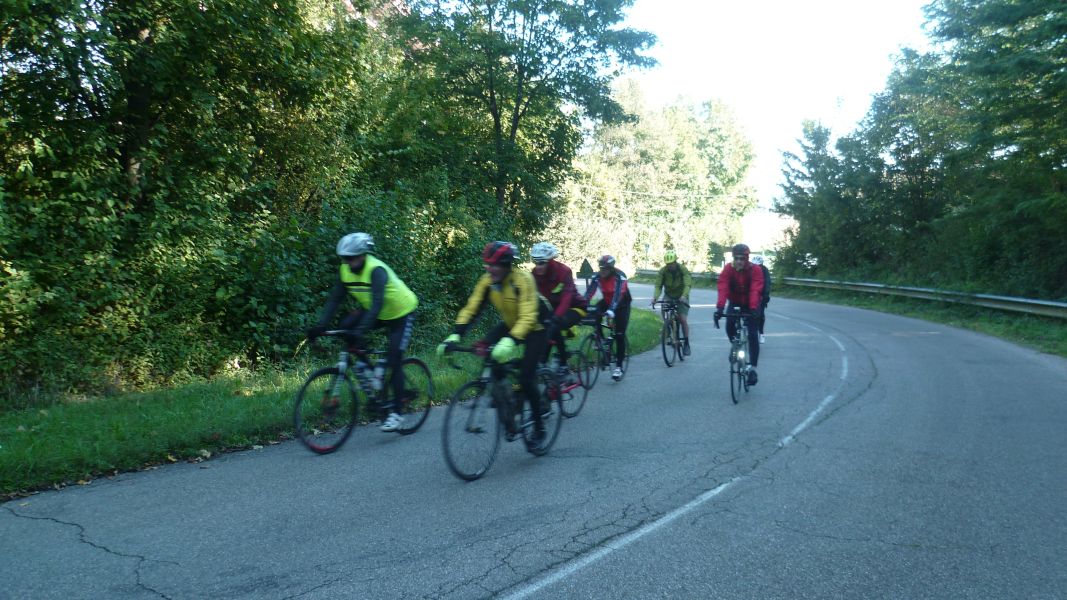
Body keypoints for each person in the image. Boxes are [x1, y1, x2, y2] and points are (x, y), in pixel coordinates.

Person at [436, 241, 550, 451]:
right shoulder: (487, 282)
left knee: (526, 377)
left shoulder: (522, 279)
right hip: (510, 323)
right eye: (487, 264)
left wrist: (510, 341)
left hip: (537, 326)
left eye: (495, 265)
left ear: (507, 265)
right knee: (489, 353)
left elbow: (528, 317)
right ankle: (506, 398)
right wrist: (455, 335)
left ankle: (539, 428)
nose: (490, 269)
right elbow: (472, 309)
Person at [307, 232, 419, 432]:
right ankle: (368, 367)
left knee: (394, 358)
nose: (348, 262)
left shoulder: (376, 270)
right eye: (344, 258)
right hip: (379, 313)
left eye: (351, 258)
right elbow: (335, 299)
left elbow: (376, 304)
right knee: (346, 326)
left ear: (363, 255)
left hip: (401, 313)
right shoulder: (345, 270)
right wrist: (321, 326)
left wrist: (361, 330)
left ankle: (397, 412)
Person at [530, 242, 588, 379]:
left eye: (542, 263)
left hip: (576, 307)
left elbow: (566, 298)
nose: (538, 266)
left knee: (554, 325)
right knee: (542, 327)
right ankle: (543, 362)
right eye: (535, 262)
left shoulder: (564, 271)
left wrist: (555, 317)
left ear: (550, 261)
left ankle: (563, 364)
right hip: (553, 308)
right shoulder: (534, 274)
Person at [714, 243, 765, 386]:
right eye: (736, 258)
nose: (739, 261)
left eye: (742, 258)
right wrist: (719, 309)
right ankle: (735, 346)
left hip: (751, 304)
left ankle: (753, 368)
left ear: (747, 259)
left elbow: (756, 289)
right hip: (735, 301)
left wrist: (754, 308)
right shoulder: (728, 270)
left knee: (753, 334)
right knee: (729, 325)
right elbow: (723, 287)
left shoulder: (755, 270)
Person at [584, 254, 632, 381]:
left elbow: (618, 294)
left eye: (605, 269)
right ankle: (601, 340)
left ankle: (619, 367)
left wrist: (611, 310)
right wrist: (582, 305)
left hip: (622, 304)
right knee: (594, 314)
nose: (602, 271)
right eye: (601, 268)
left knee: (619, 334)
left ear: (611, 268)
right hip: (606, 301)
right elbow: (589, 292)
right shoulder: (597, 277)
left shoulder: (619, 277)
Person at [652, 249, 693, 356]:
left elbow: (687, 284)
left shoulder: (683, 269)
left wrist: (684, 296)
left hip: (682, 296)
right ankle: (669, 328)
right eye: (668, 264)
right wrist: (655, 297)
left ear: (676, 262)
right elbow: (658, 286)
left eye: (672, 263)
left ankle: (687, 344)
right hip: (669, 295)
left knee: (683, 320)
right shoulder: (663, 271)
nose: (670, 266)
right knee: (664, 309)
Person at [752, 255, 771, 344]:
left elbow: (767, 283)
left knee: (761, 314)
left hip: (761, 294)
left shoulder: (765, 270)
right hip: (751, 294)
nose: (757, 267)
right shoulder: (749, 270)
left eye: (758, 266)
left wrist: (766, 295)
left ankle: (761, 333)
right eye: (754, 265)